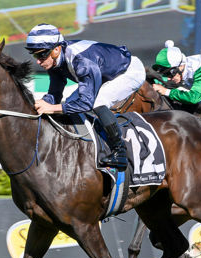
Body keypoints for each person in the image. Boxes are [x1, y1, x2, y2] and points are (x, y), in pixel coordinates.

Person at [25, 23, 146, 170]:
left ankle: (119, 151)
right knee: (69, 103)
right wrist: (42, 104)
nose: (38, 61)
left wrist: (52, 108)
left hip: (128, 71)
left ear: (56, 50)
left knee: (97, 102)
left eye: (41, 55)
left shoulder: (82, 61)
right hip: (103, 74)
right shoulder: (54, 61)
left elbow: (86, 103)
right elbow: (55, 94)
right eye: (35, 55)